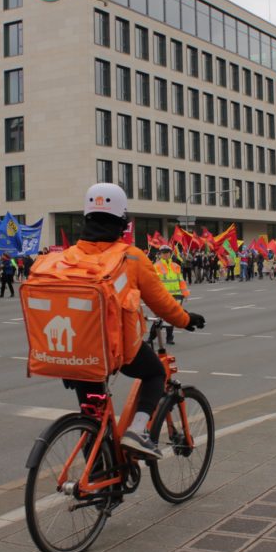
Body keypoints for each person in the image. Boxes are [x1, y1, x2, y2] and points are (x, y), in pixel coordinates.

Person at [68, 183, 204, 459]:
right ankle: (138, 431)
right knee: (155, 373)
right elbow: (161, 302)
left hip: (73, 349)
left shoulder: (70, 256)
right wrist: (185, 319)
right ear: (122, 220)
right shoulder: (131, 256)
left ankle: (96, 482)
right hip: (113, 349)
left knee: (91, 415)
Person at [155, 245, 189, 345]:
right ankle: (151, 336)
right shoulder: (156, 266)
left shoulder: (176, 266)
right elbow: (153, 282)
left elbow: (181, 281)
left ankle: (169, 338)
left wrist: (185, 294)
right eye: (163, 253)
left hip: (177, 295)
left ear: (170, 253)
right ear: (160, 254)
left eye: (167, 252)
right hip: (163, 296)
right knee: (159, 318)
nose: (165, 254)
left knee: (172, 318)